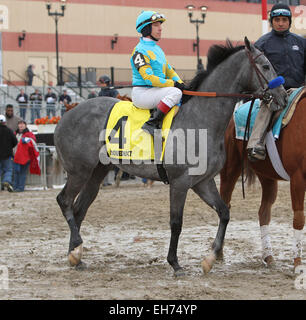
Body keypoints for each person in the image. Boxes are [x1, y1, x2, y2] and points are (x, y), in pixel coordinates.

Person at [247, 3, 306, 161]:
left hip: (300, 89)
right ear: (271, 21)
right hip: (274, 92)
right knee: (269, 106)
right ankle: (255, 144)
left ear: (289, 22)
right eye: (277, 19)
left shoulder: (301, 43)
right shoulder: (262, 44)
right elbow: (255, 72)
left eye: (284, 20)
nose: (281, 23)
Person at [130, 11, 185, 136]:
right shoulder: (139, 51)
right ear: (146, 28)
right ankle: (152, 123)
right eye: (156, 25)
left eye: (160, 25)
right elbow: (149, 79)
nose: (160, 29)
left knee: (183, 92)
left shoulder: (157, 49)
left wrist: (182, 83)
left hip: (156, 91)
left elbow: (169, 70)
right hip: (143, 94)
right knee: (175, 92)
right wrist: (174, 84)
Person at [13, 120, 38, 192]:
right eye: (20, 124)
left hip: (26, 157)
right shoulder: (15, 133)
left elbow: (33, 142)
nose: (21, 126)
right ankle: (15, 187)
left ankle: (20, 187)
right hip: (16, 156)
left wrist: (28, 140)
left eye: (22, 124)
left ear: (25, 126)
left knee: (22, 172)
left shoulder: (29, 134)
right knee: (16, 172)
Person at [0, 115, 18, 192]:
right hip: (7, 155)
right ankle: (6, 181)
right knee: (8, 170)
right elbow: (15, 141)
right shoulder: (9, 131)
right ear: (4, 122)